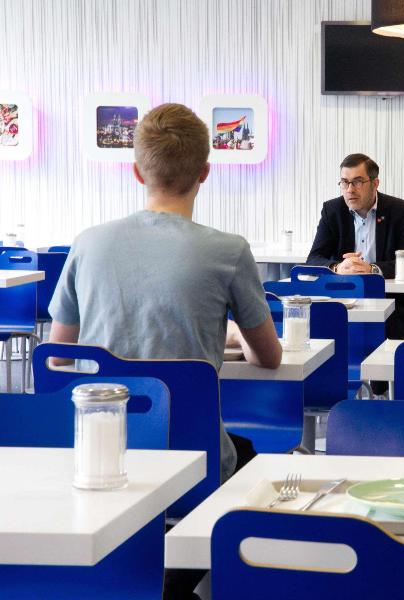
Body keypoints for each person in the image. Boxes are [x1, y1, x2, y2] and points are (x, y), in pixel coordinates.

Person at [48, 103, 283, 482]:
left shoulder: (87, 244)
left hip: (100, 455)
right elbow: (269, 358)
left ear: (137, 171)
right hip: (194, 458)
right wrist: (236, 334)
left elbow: (57, 357)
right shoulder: (230, 251)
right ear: (205, 172)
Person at [307, 153, 404, 339]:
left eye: (357, 182)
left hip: (390, 301)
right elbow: (313, 259)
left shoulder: (400, 210)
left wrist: (371, 269)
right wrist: (337, 267)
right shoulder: (332, 210)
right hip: (342, 299)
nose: (350, 189)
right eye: (345, 182)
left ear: (375, 184)